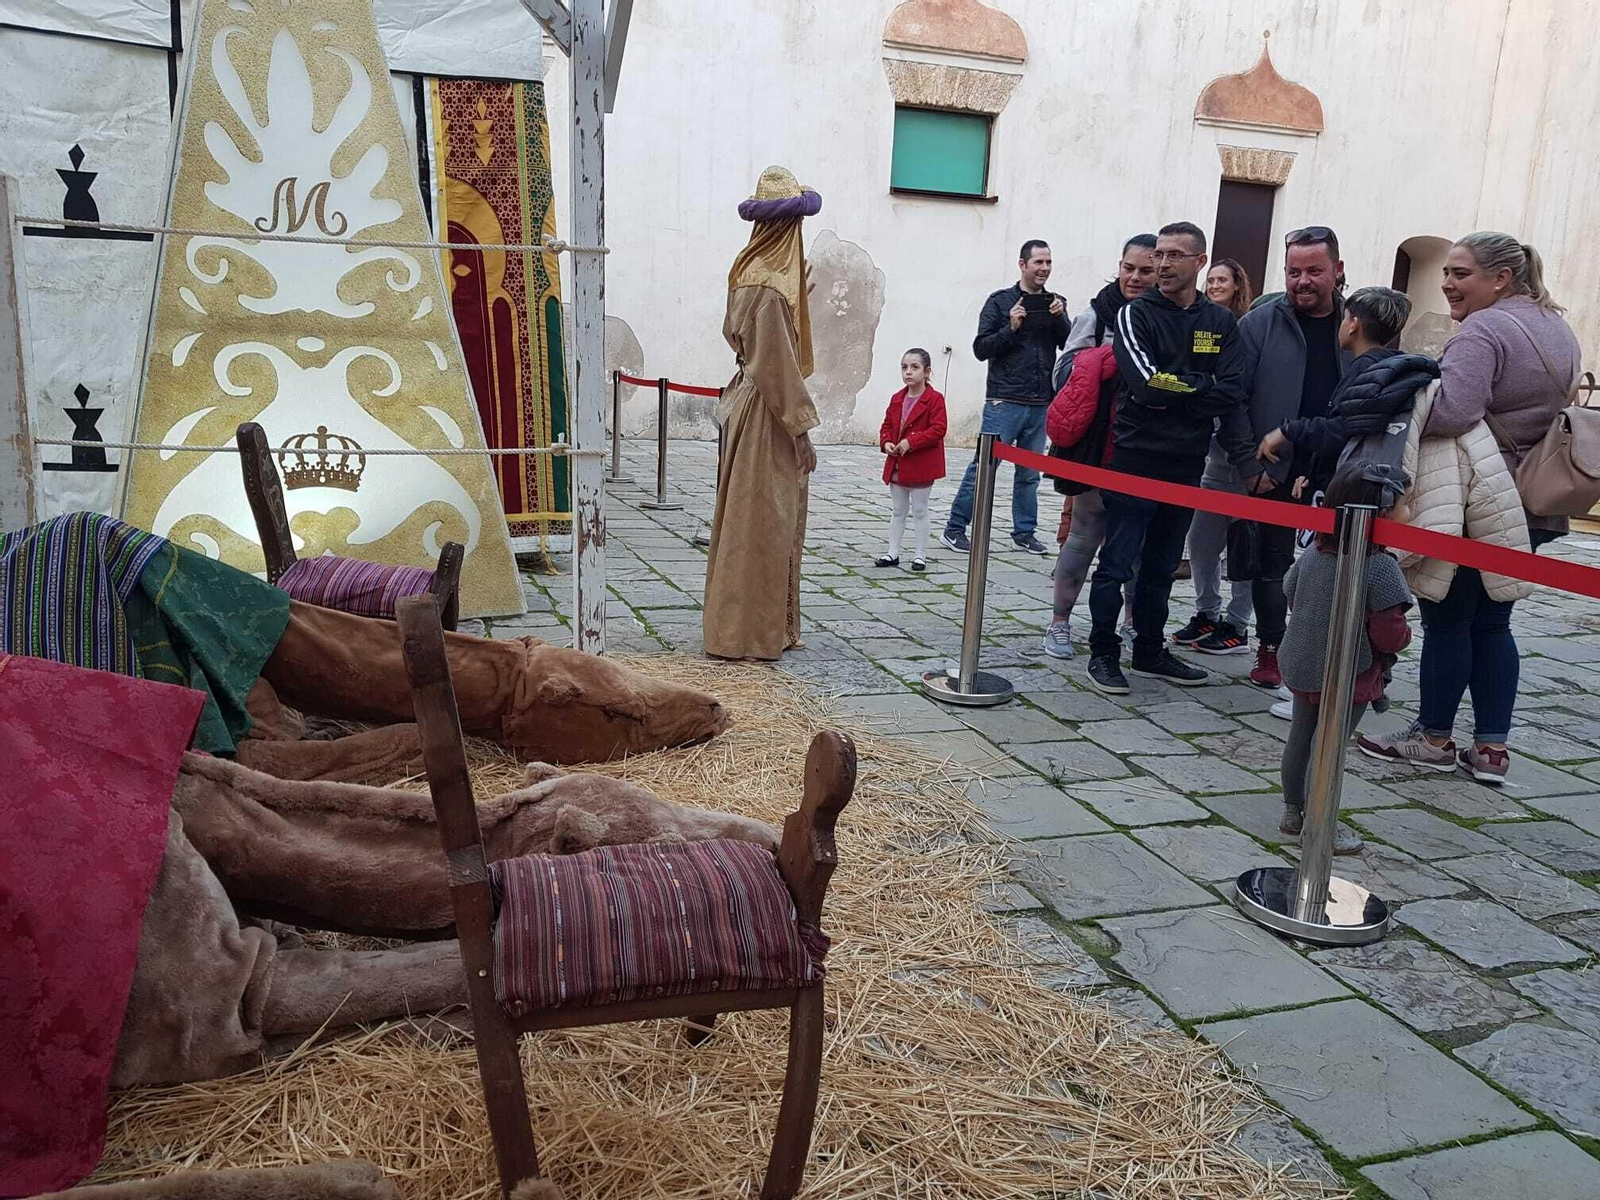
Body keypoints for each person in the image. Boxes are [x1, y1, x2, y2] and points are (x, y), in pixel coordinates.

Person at [1358, 233, 1582, 784]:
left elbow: (1454, 411)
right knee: (1493, 623)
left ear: (1501, 278)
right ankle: (1492, 751)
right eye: (1448, 272)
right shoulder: (1556, 325)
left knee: (1449, 619)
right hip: (1537, 499)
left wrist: (1395, 406)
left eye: (1461, 274)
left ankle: (1433, 736)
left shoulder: (1483, 329)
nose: (1448, 283)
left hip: (1476, 498)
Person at [1086, 221, 1246, 695]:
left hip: (1186, 462)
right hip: (1136, 459)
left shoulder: (1219, 323)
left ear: (1200, 262)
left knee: (1161, 566)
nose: (1162, 264)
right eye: (1159, 254)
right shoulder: (1137, 314)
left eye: (1175, 255)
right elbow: (1143, 382)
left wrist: (1178, 391)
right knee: (1117, 564)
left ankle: (1151, 650)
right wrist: (1201, 389)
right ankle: (1102, 652)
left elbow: (1232, 390)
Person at [1194, 226, 1352, 685]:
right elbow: (1233, 400)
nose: (1302, 281)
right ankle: (1271, 649)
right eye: (1293, 271)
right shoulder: (1258, 324)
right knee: (1270, 567)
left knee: (1332, 572)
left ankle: (1333, 656)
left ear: (1337, 271)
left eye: (1314, 271)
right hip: (1271, 471)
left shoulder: (1354, 322)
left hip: (1333, 470)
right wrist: (1248, 464)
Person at [703, 166, 822, 661]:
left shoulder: (752, 274)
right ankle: (745, 634)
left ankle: (756, 626)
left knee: (752, 520)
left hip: (749, 403)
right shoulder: (769, 286)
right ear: (786, 227)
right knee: (761, 523)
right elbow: (777, 368)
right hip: (765, 416)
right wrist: (801, 432)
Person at [1277, 465, 1413, 853]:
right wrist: (1404, 637)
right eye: (1405, 505)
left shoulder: (1314, 553)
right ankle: (1320, 827)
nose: (1409, 512)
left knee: (1301, 737)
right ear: (1381, 513)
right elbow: (1389, 631)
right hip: (1347, 671)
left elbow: (1289, 587)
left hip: (1301, 658)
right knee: (1329, 747)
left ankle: (1293, 811)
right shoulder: (1380, 566)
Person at [1040, 234, 1157, 659]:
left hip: (1145, 446)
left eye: (1146, 270)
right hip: (1097, 446)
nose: (1136, 277)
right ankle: (1059, 623)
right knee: (1085, 534)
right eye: (1129, 268)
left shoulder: (1165, 315)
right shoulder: (1097, 312)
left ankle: (1129, 621)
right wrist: (1108, 359)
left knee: (1138, 540)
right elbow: (1063, 372)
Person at [942, 240, 1070, 557]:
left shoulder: (1054, 303)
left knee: (1029, 474)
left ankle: (1024, 533)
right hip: (1004, 400)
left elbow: (1068, 343)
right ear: (1023, 265)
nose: (1044, 268)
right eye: (1038, 262)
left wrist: (1061, 317)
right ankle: (955, 529)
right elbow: (980, 349)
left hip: (1040, 400)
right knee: (984, 468)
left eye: (1048, 263)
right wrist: (1010, 327)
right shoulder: (1000, 303)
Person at [1172, 259, 1256, 652]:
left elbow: (1237, 389)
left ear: (1238, 285)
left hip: (1244, 457)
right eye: (1212, 279)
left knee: (1243, 546)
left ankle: (1238, 623)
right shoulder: (1203, 322)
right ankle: (1207, 613)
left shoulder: (1248, 327)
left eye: (1223, 279)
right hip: (1212, 454)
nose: (1215, 284)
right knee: (1203, 540)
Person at [875, 348, 948, 571]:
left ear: (926, 372)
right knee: (898, 510)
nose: (908, 372)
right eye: (904, 367)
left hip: (921, 465)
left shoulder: (934, 399)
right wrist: (886, 442)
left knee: (920, 510)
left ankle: (920, 555)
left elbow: (938, 429)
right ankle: (892, 552)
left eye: (914, 367)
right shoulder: (897, 398)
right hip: (898, 463)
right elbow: (887, 425)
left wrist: (911, 442)